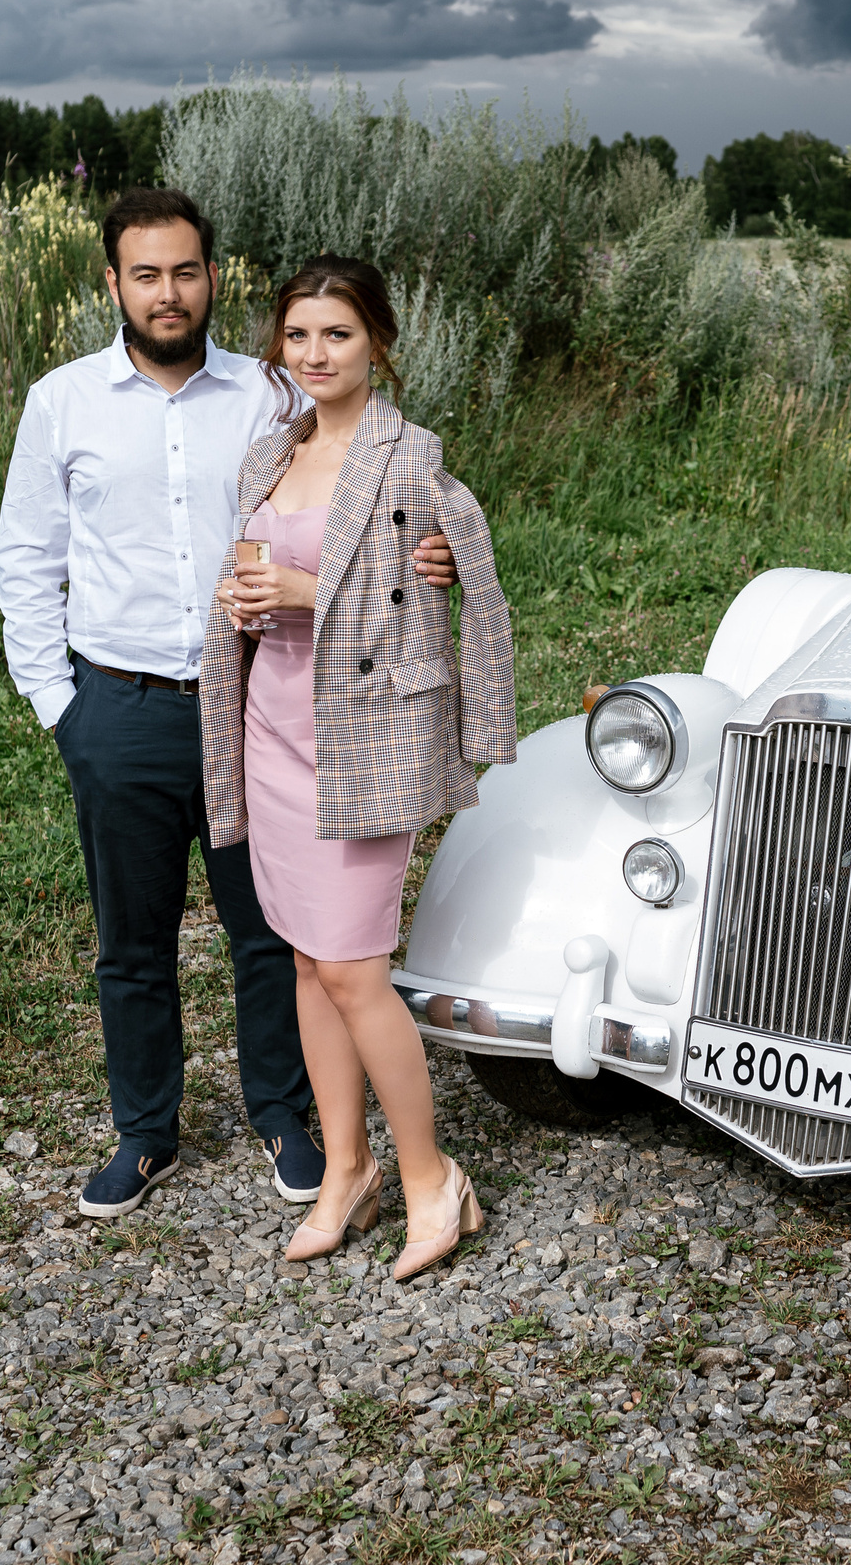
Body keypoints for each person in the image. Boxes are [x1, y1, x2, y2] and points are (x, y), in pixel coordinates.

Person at [0, 188, 458, 1220]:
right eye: (146, 274)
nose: (169, 293)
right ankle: (146, 1133)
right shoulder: (61, 402)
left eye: (187, 271)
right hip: (115, 709)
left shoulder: (269, 395)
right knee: (132, 940)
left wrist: (429, 552)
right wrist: (58, 706)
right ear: (111, 283)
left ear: (213, 278)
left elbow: (369, 485)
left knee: (271, 930)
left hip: (255, 708)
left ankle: (286, 1117)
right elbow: (25, 558)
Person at [200, 254, 516, 1278]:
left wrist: (303, 589)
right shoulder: (267, 456)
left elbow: (466, 583)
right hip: (274, 730)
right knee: (301, 957)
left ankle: (430, 1176)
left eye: (336, 334)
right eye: (297, 336)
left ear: (376, 341)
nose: (315, 354)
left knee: (353, 968)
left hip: (367, 735)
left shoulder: (409, 458)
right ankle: (347, 1171)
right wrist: (243, 599)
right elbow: (252, 575)